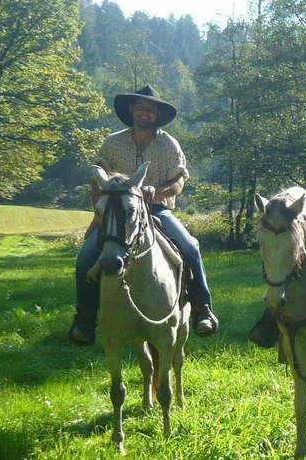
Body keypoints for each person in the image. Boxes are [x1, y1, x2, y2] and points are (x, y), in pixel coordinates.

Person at [69, 85, 219, 345]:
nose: (145, 112)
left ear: (157, 113)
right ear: (132, 110)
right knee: (85, 259)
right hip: (116, 214)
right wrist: (98, 214)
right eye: (141, 107)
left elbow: (178, 182)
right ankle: (85, 319)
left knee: (190, 247)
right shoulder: (113, 142)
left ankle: (202, 309)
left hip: (157, 209)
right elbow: (98, 179)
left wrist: (155, 194)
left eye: (150, 109)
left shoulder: (168, 143)